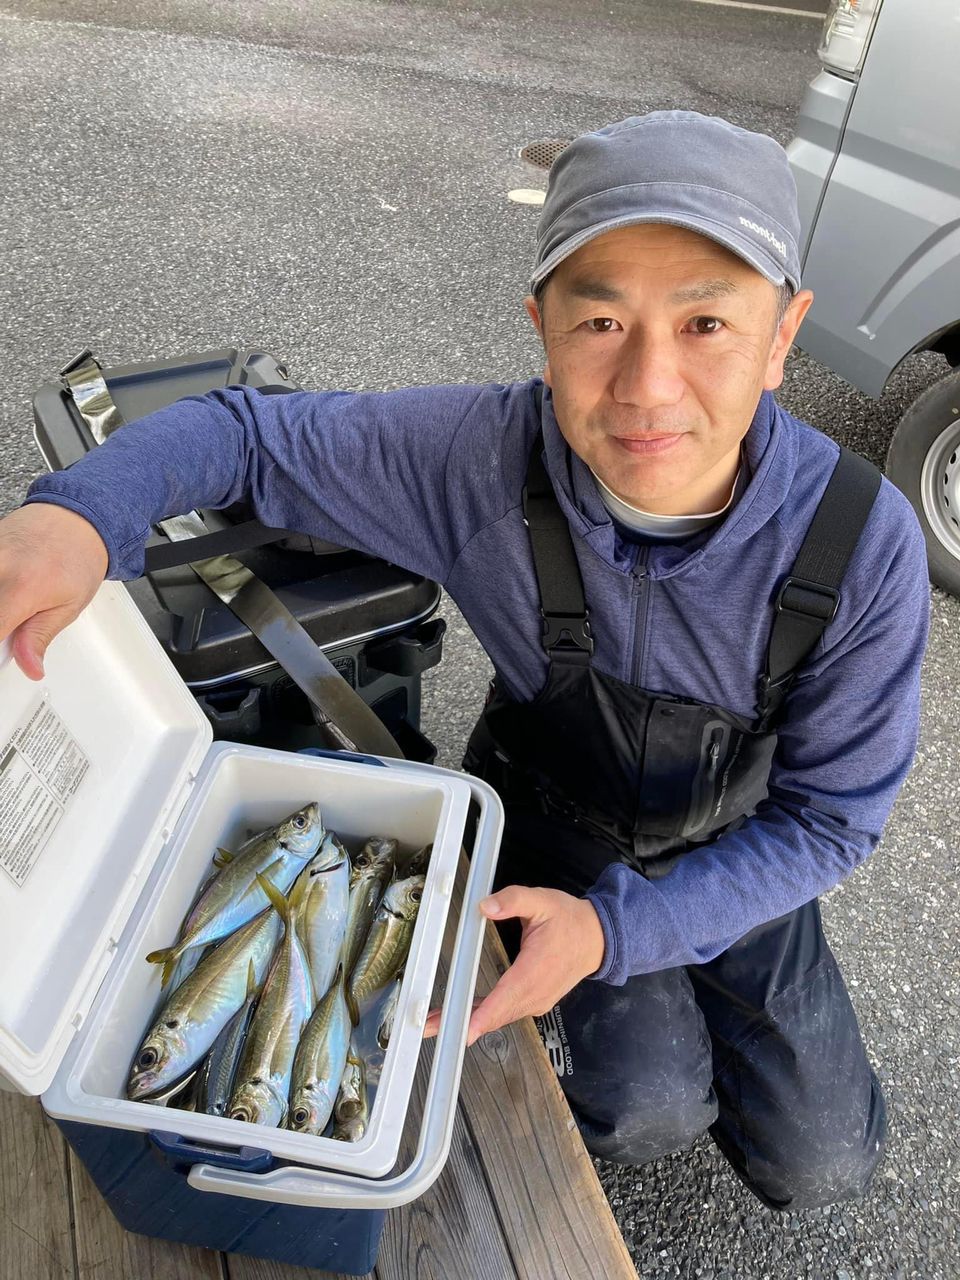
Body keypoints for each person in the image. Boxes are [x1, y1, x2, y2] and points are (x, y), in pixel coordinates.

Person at [0, 112, 929, 1211]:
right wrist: (80, 517)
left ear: (785, 336)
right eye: (598, 318)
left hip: (748, 839)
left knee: (822, 1160)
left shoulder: (862, 540)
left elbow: (829, 819)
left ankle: (695, 974)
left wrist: (626, 929)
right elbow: (241, 434)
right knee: (648, 1104)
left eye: (709, 322)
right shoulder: (477, 457)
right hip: (550, 826)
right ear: (541, 329)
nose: (648, 384)